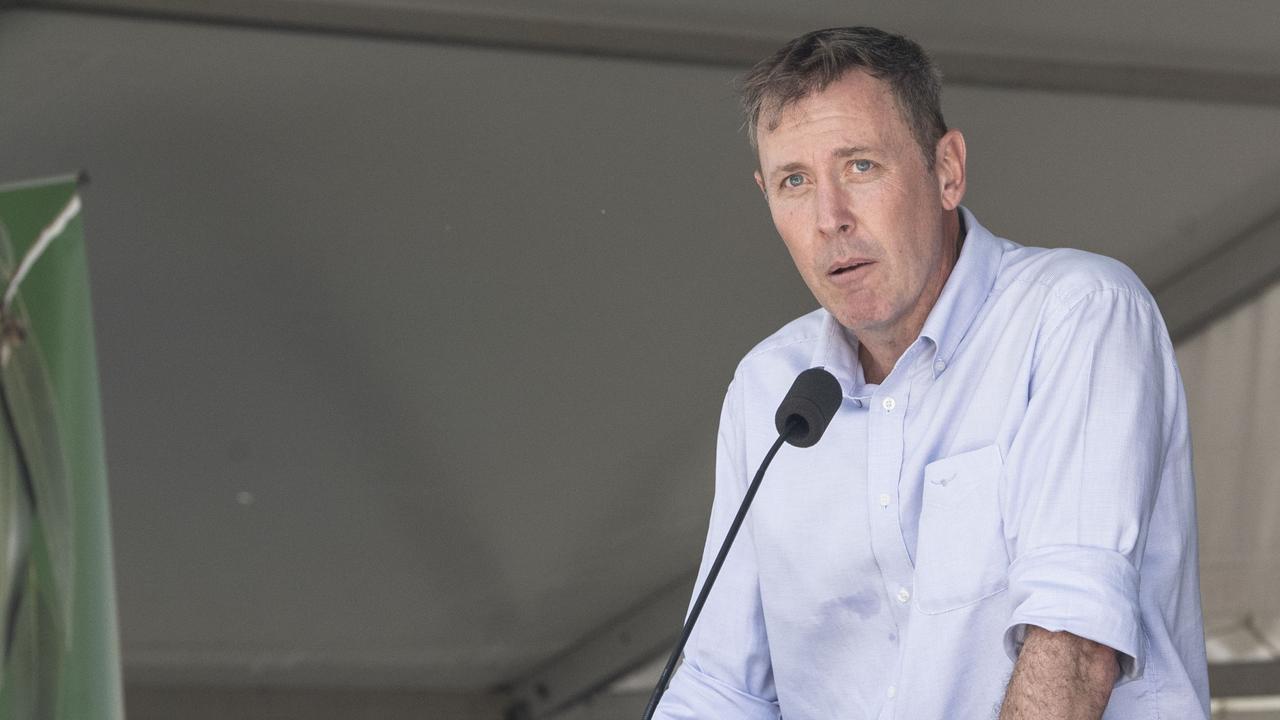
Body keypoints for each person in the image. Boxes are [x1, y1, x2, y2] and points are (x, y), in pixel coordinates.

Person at [653, 26, 1209, 719]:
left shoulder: (1076, 313)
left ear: (946, 170)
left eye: (860, 166)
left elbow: (1072, 646)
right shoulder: (768, 387)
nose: (830, 219)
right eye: (795, 182)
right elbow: (718, 688)